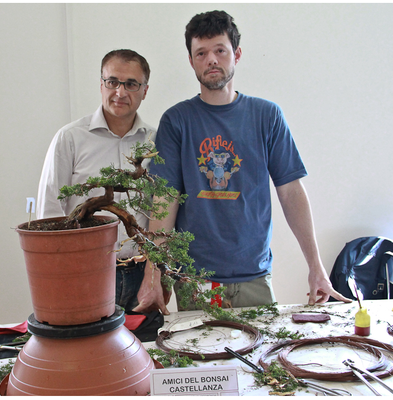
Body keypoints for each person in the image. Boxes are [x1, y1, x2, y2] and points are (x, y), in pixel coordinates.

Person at [132, 10, 351, 315]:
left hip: (254, 276)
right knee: (202, 359)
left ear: (236, 54)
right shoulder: (177, 121)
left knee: (260, 360)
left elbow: (291, 192)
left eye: (220, 50)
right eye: (201, 53)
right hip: (195, 278)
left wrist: (317, 267)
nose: (212, 60)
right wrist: (153, 274)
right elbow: (164, 200)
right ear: (192, 60)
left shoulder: (266, 116)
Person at [36, 49, 156, 311]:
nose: (120, 92)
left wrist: (155, 273)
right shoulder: (70, 138)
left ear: (144, 90)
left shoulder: (155, 143)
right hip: (84, 273)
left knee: (145, 350)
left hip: (140, 274)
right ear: (101, 84)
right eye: (112, 82)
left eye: (131, 84)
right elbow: (48, 211)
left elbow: (163, 210)